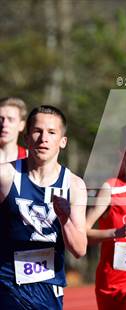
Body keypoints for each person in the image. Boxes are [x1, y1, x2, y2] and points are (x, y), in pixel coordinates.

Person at [0, 105, 87, 309]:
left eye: (51, 132)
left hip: (48, 288)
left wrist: (65, 219)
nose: (43, 138)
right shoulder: (5, 176)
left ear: (62, 141)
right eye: (37, 131)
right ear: (26, 138)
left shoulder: (73, 186)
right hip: (5, 283)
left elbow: (79, 249)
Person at [86, 123, 126, 310]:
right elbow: (84, 234)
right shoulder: (111, 188)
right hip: (110, 280)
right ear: (122, 154)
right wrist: (116, 232)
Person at [0, 97, 28, 163]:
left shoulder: (29, 158)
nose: (4, 124)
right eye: (0, 119)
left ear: (21, 125)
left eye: (10, 119)